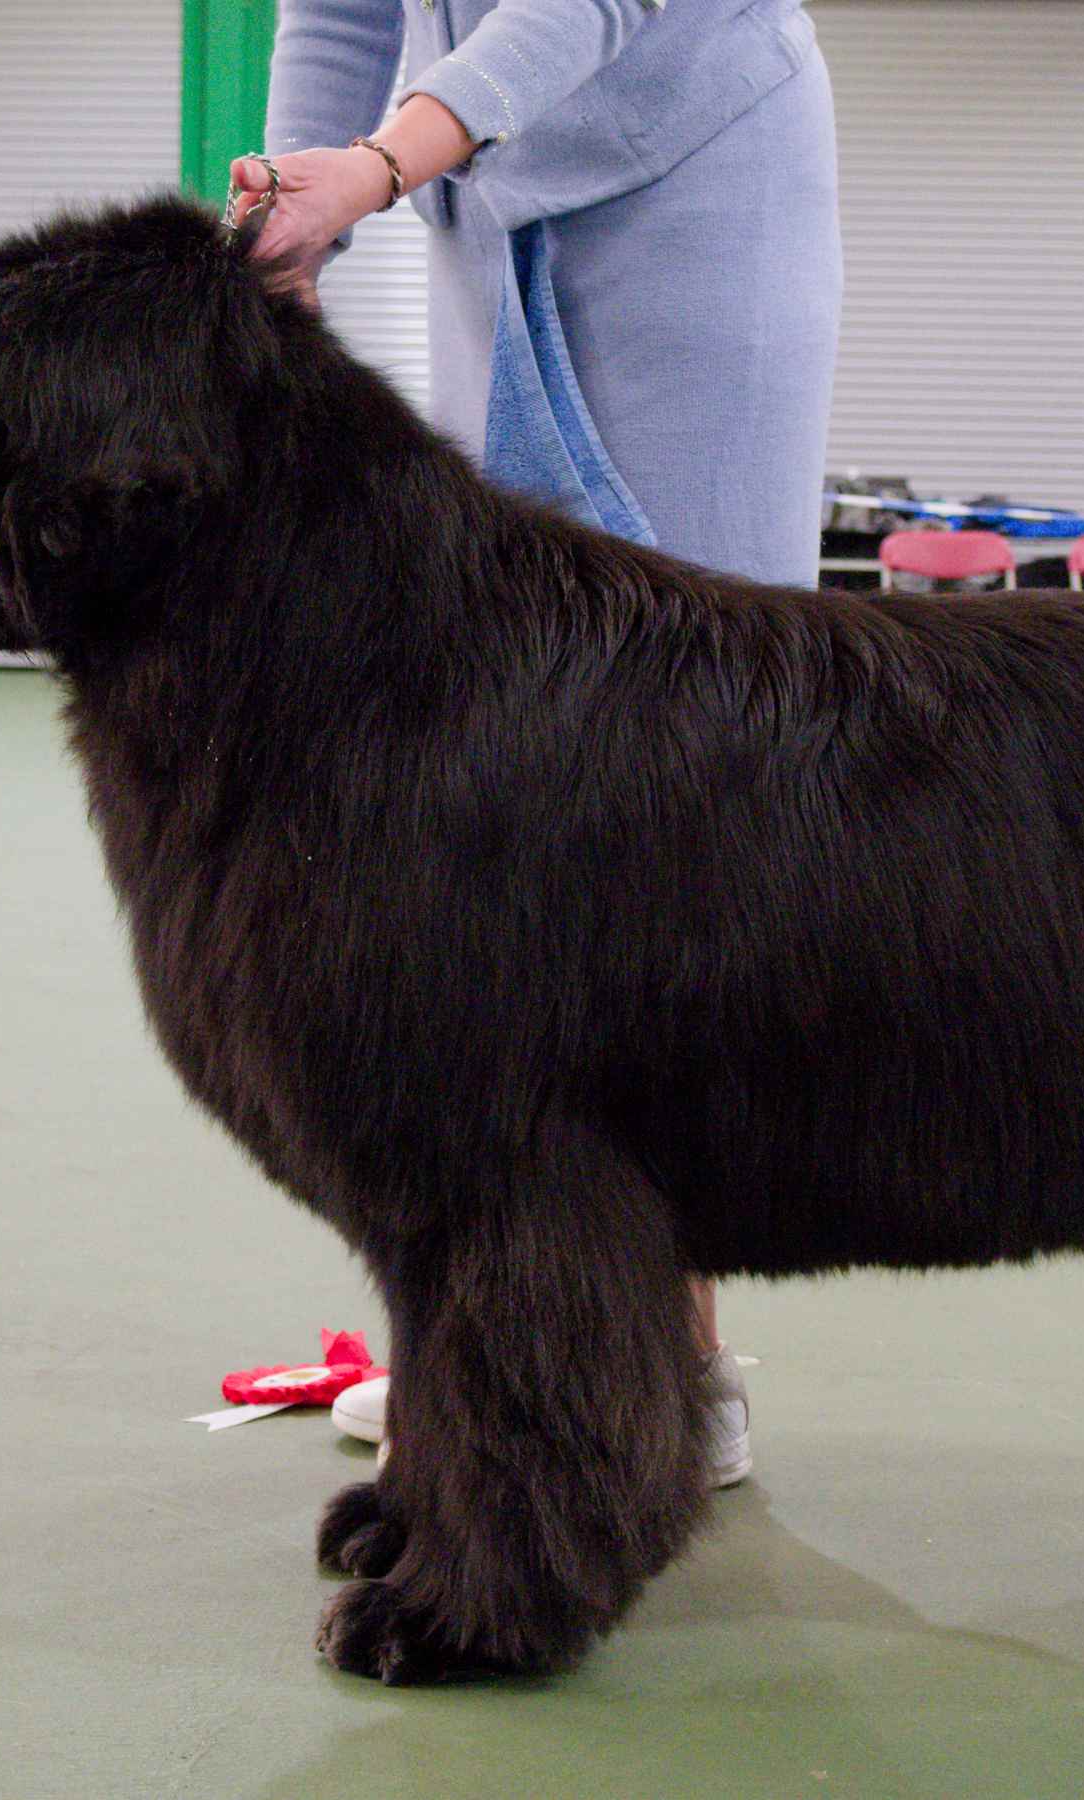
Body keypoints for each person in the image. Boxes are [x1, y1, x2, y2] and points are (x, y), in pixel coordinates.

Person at [231, 0, 845, 1489]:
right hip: (483, 188)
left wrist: (376, 165)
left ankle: (676, 1369)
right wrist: (291, 216)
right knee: (511, 784)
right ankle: (521, 1332)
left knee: (684, 777)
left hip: (690, 168)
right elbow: (341, 8)